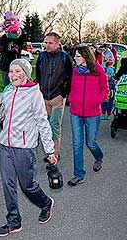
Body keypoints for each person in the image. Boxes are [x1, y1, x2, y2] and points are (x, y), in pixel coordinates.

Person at [0, 58, 57, 237]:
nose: (13, 75)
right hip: (5, 144)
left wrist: (50, 149)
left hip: (24, 147)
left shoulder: (33, 93)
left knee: (27, 186)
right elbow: (2, 116)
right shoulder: (7, 90)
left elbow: (42, 122)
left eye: (17, 71)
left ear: (26, 74)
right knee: (8, 184)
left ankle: (45, 203)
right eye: (11, 71)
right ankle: (14, 221)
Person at [67, 45, 108, 186]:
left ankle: (99, 157)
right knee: (77, 144)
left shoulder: (99, 71)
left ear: (85, 57)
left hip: (92, 113)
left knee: (90, 142)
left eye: (77, 56)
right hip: (76, 113)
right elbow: (71, 87)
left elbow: (105, 90)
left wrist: (96, 101)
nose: (74, 58)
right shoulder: (75, 71)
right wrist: (72, 98)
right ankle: (79, 174)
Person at [35, 32, 73, 160]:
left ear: (57, 44)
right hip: (44, 98)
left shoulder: (65, 57)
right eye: (46, 42)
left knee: (55, 126)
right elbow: (38, 76)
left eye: (50, 43)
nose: (47, 45)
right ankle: (49, 152)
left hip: (57, 98)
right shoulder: (41, 56)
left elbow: (70, 78)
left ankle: (55, 154)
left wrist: (62, 95)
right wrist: (38, 92)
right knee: (45, 126)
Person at [0, 11, 26, 86]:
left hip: (16, 65)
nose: (10, 32)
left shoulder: (18, 40)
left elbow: (24, 35)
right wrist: (0, 29)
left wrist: (16, 24)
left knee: (17, 86)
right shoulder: (3, 39)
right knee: (7, 87)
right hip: (5, 66)